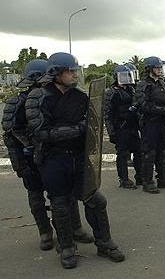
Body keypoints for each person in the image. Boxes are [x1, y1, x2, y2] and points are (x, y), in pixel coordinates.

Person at [25, 52, 125, 268]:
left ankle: (104, 243)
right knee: (60, 205)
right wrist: (78, 129)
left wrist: (86, 130)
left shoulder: (80, 97)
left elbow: (92, 125)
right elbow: (41, 133)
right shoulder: (38, 98)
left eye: (75, 70)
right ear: (56, 73)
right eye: (70, 71)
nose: (75, 75)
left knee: (96, 200)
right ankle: (67, 247)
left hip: (79, 158)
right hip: (54, 160)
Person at [1, 59, 94, 252]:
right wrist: (20, 162)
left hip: (52, 154)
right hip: (29, 158)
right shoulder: (18, 102)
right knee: (36, 196)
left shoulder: (57, 97)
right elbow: (11, 134)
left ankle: (74, 229)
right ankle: (45, 232)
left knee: (65, 195)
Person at [133, 56, 165, 194]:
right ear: (150, 69)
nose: (159, 70)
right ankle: (147, 182)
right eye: (157, 67)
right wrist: (164, 111)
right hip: (149, 123)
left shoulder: (163, 84)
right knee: (149, 153)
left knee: (161, 151)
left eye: (160, 67)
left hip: (161, 123)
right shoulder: (143, 84)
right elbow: (144, 105)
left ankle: (163, 179)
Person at [104, 65, 141, 189]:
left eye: (128, 75)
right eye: (123, 76)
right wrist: (111, 133)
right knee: (122, 155)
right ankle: (124, 179)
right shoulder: (111, 92)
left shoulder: (132, 90)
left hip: (133, 126)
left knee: (138, 152)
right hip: (120, 127)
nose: (126, 78)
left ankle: (140, 176)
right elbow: (107, 114)